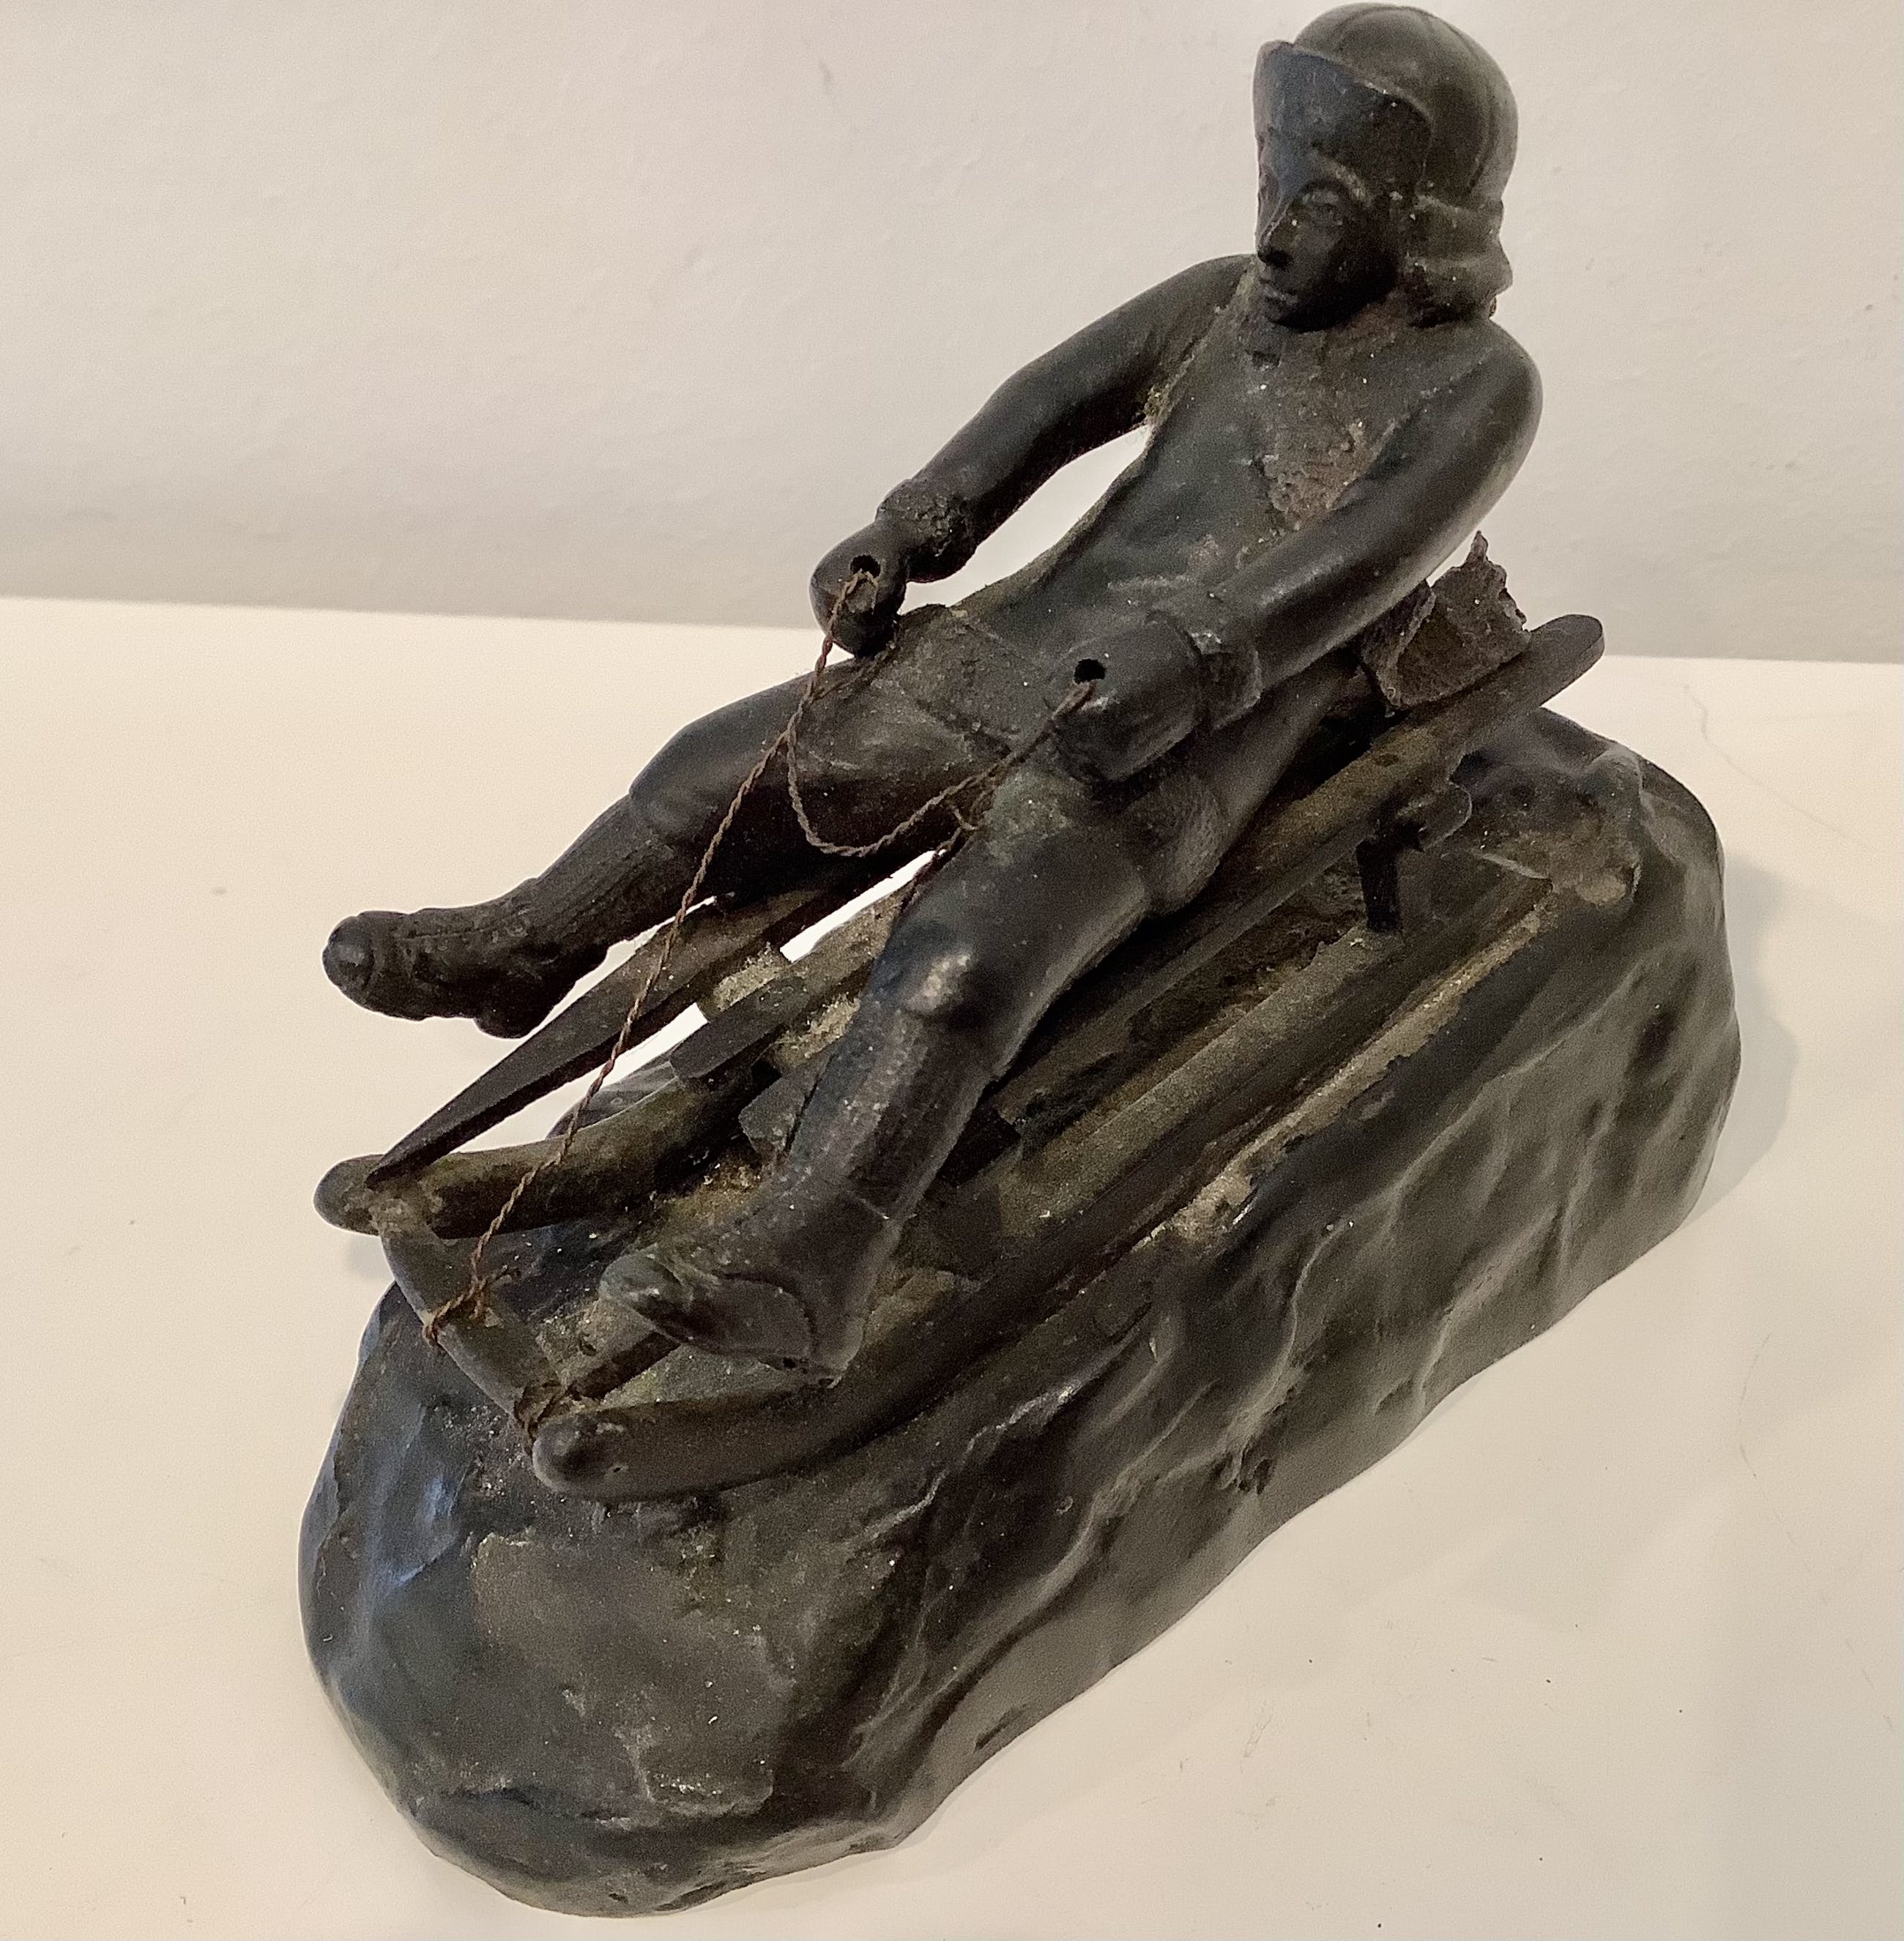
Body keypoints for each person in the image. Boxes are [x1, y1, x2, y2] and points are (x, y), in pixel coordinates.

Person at [324, 5, 1539, 1378]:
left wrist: (1200, 661)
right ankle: (528, 944)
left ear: (1419, 222)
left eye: (1323, 206)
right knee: (709, 775)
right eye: (1274, 184)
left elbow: (1368, 556)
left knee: (967, 956)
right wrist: (912, 528)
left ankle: (809, 1264)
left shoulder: (1476, 385)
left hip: (1178, 745)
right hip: (1006, 653)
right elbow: (1045, 407)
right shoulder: (1219, 306)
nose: (1277, 233)